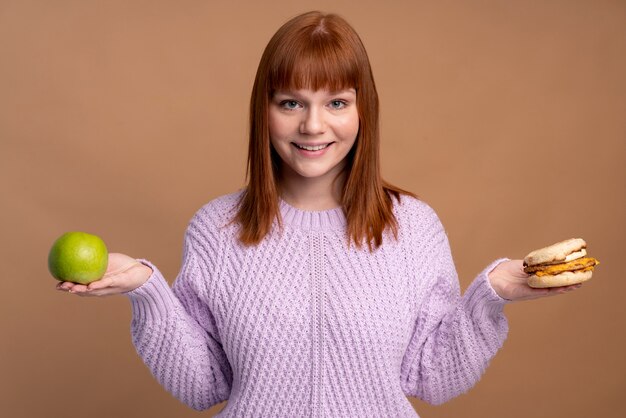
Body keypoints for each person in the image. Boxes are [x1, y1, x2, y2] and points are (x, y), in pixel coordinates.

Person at [56, 11, 582, 417]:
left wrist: (492, 294)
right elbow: (205, 386)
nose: (313, 125)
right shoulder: (216, 229)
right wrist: (146, 289)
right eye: (290, 102)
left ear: (363, 110)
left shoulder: (414, 227)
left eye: (336, 102)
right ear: (264, 110)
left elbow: (433, 377)